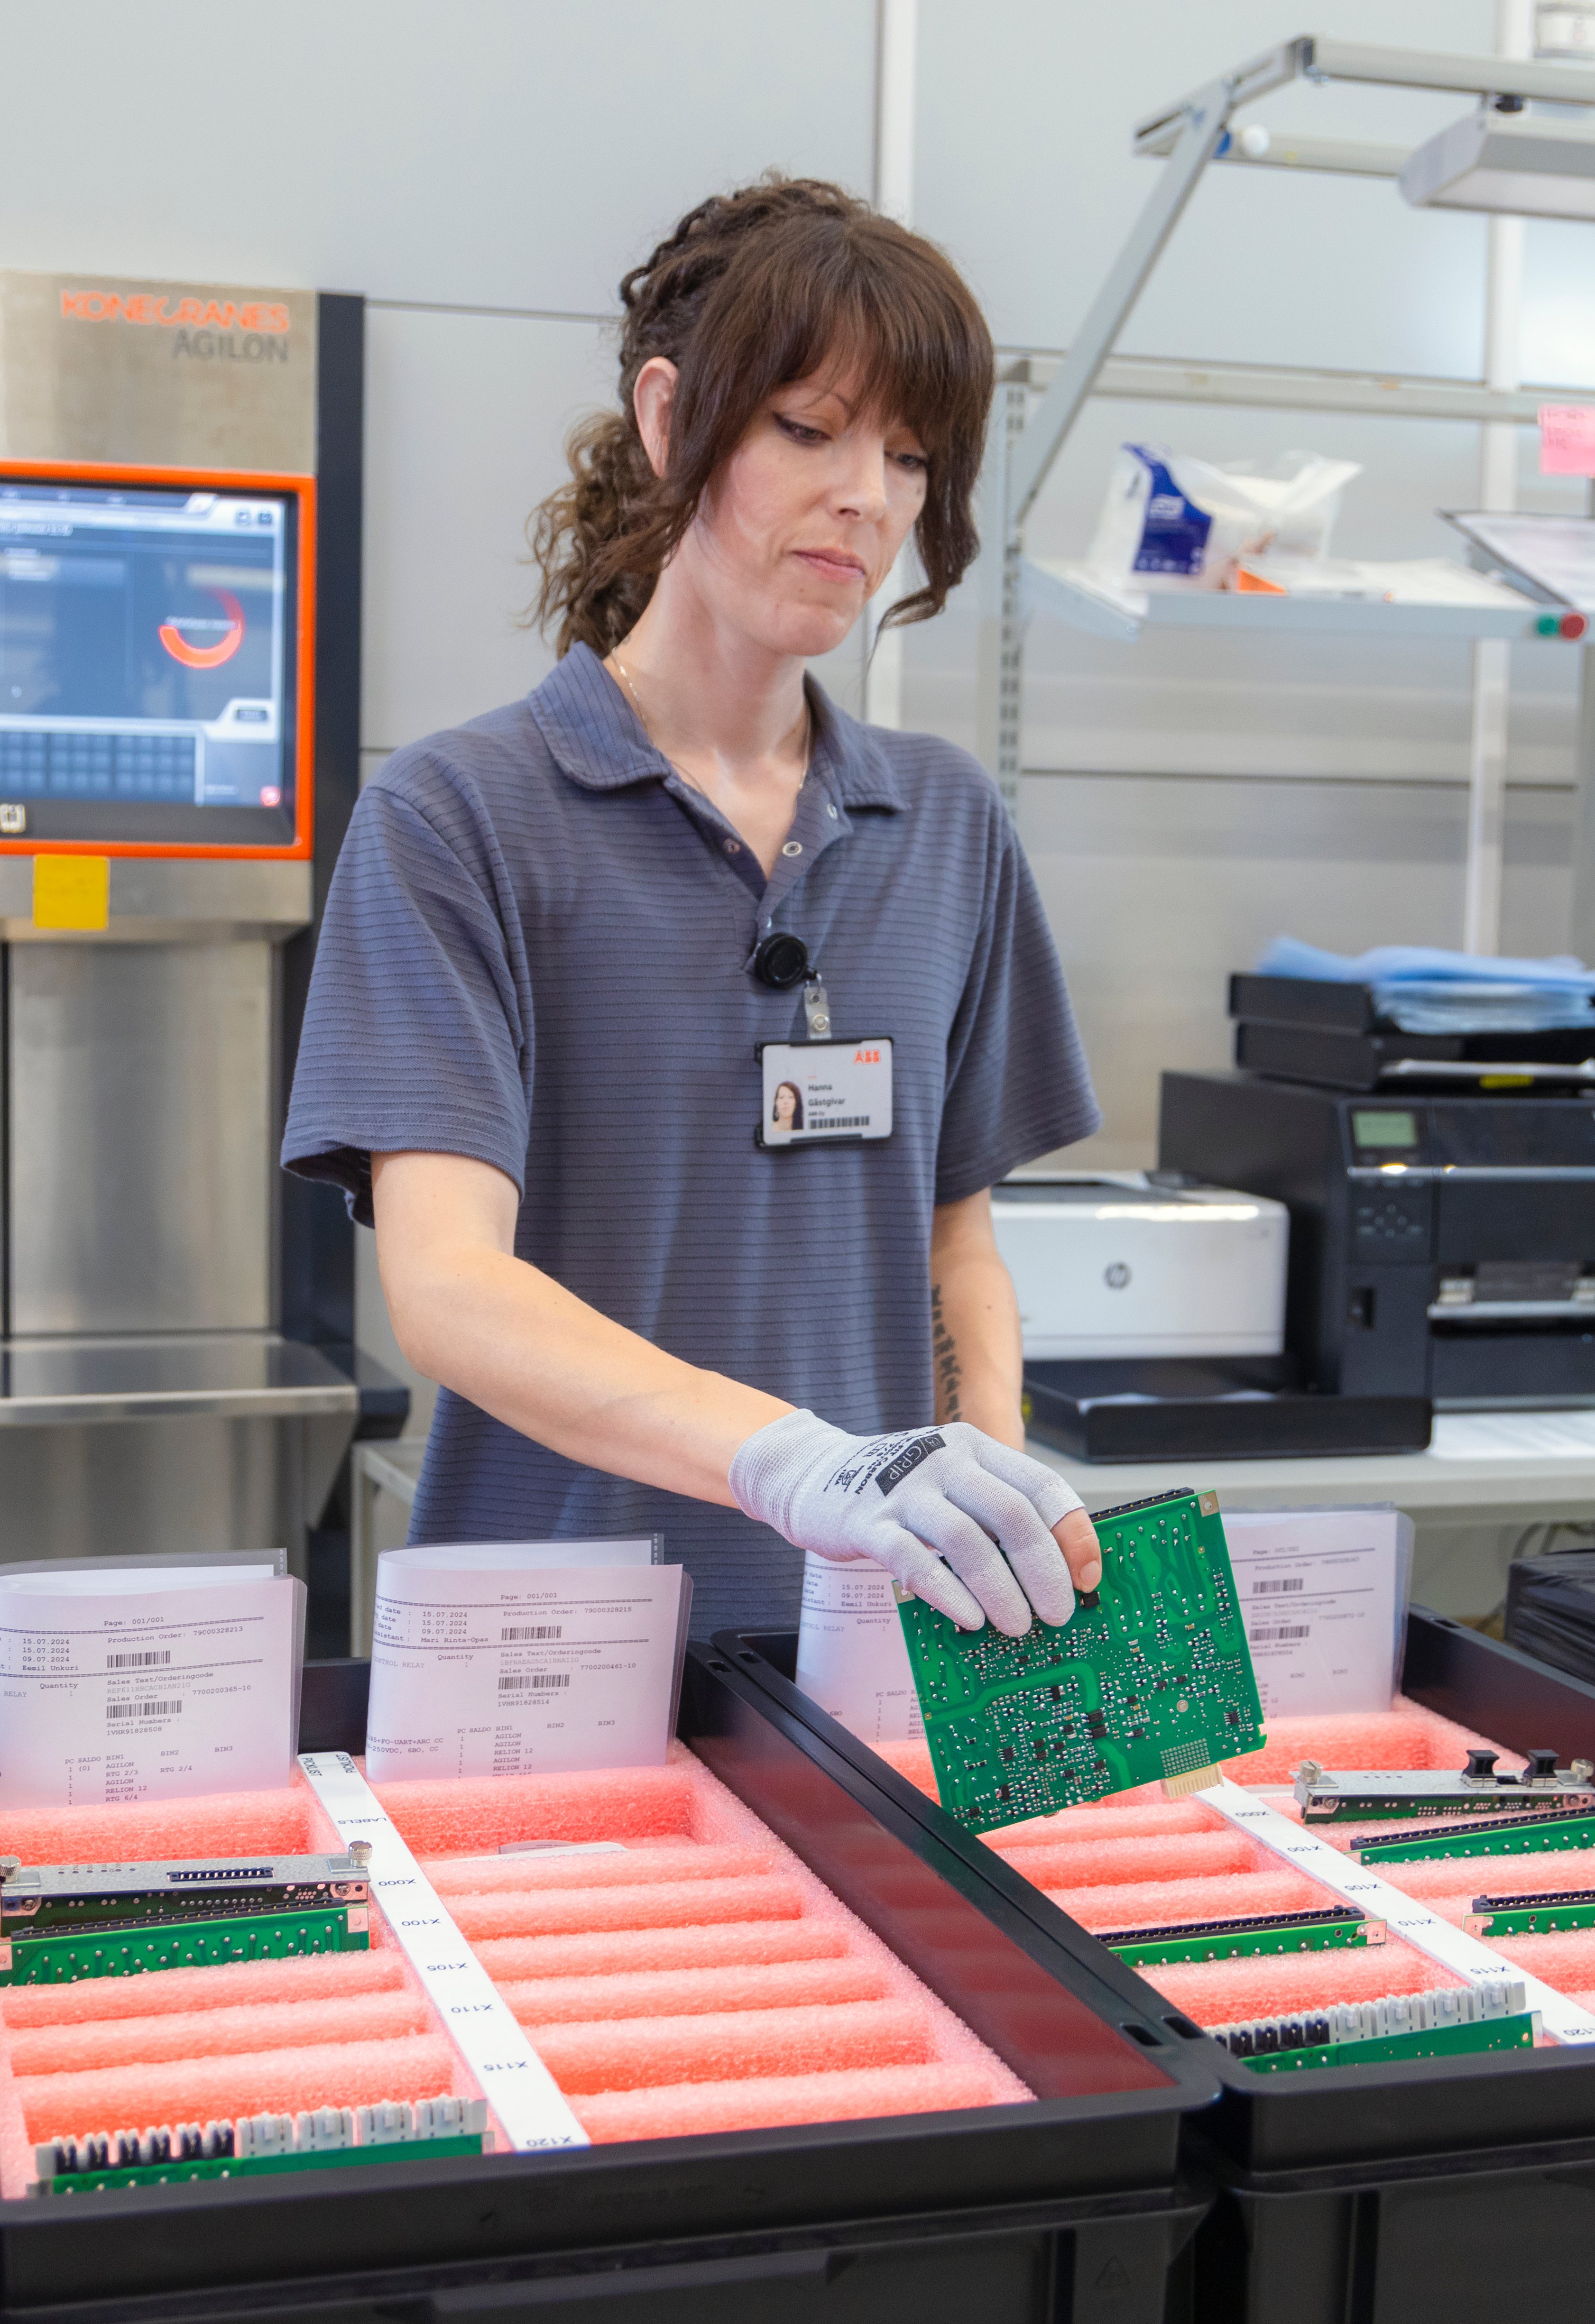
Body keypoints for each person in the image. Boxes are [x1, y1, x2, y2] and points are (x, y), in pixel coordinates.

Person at [282, 177, 1103, 1639]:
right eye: (806, 428)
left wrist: (983, 1469)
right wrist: (795, 1464)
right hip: (549, 1656)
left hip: (869, 1649)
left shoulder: (945, 823)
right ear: (670, 419)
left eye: (909, 456)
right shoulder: (459, 817)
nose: (866, 495)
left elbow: (952, 1242)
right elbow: (448, 1287)